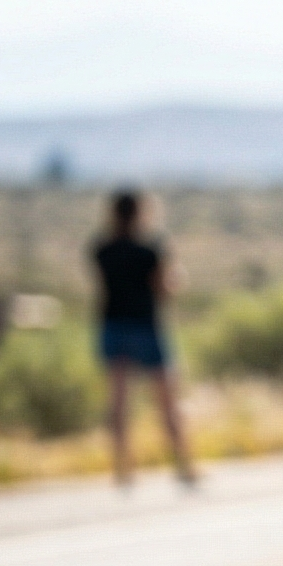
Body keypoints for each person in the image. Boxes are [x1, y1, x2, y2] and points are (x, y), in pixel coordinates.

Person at [92, 191, 197, 489]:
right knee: (167, 399)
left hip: (112, 325)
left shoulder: (102, 249)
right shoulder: (150, 250)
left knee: (118, 401)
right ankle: (183, 464)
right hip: (145, 327)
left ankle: (122, 468)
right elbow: (164, 288)